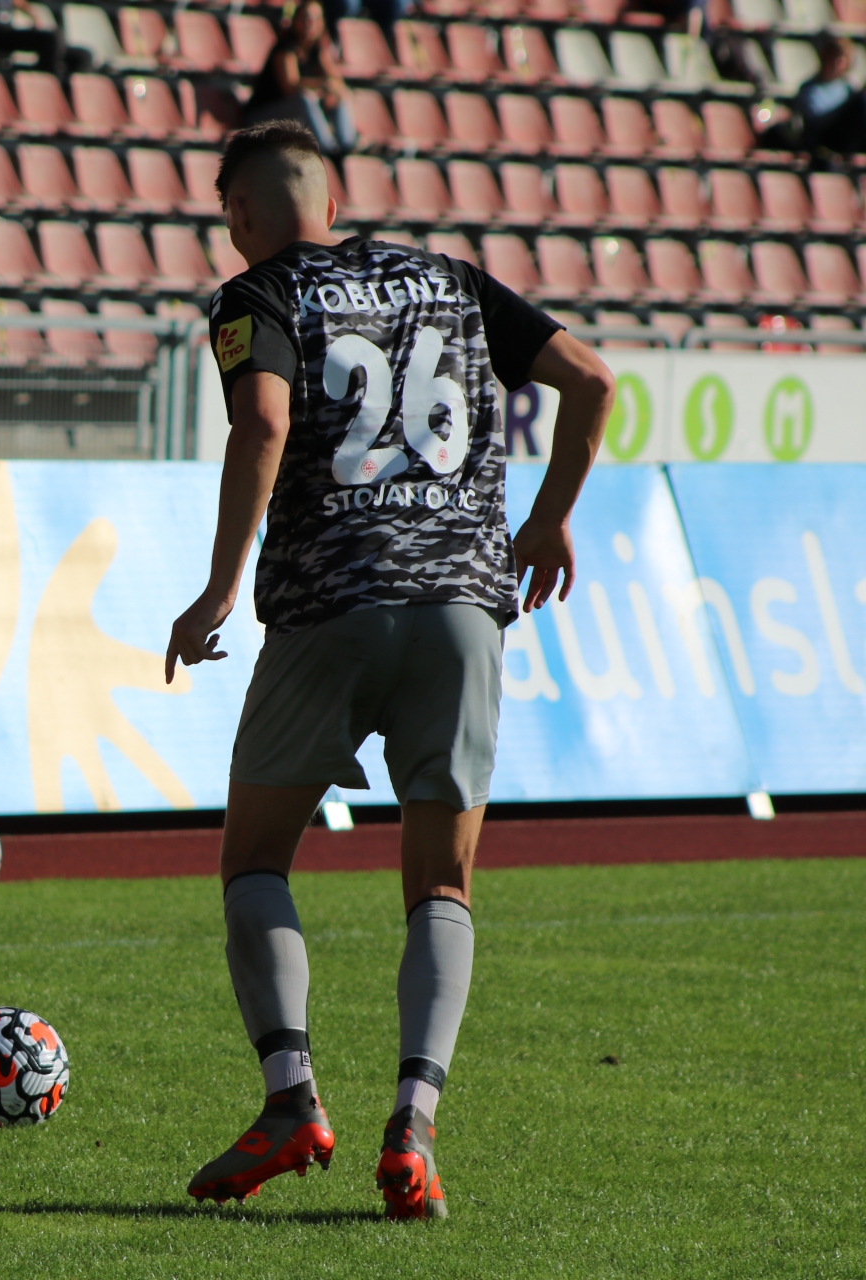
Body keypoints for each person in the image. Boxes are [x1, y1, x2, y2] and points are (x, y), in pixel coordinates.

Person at [164, 120, 614, 1218]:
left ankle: (291, 1099)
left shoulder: (256, 294)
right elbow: (594, 380)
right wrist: (550, 517)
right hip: (463, 607)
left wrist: (219, 587)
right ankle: (413, 1126)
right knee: (442, 885)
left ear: (240, 214)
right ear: (331, 198)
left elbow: (262, 424)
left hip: (331, 603)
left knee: (255, 860)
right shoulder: (451, 278)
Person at [241, 1, 357, 158]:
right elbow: (290, 86)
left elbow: (336, 82)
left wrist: (332, 91)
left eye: (316, 19)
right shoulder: (285, 48)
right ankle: (327, 148)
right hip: (264, 115)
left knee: (340, 96)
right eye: (306, 18)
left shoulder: (318, 50)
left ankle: (347, 145)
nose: (311, 23)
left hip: (291, 117)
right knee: (305, 98)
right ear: (296, 20)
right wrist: (322, 85)